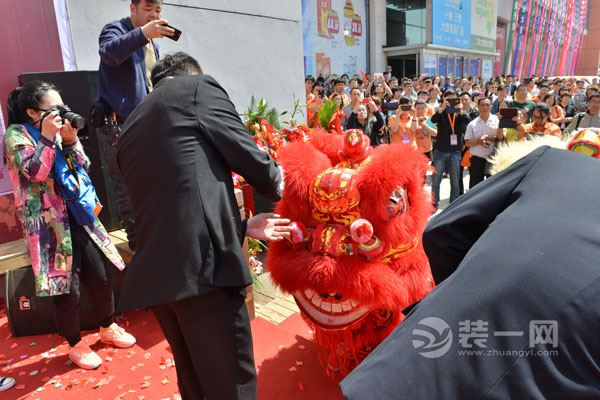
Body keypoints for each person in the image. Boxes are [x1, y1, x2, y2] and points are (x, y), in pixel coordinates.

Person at [341, 142, 600, 400]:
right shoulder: (556, 163)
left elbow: (442, 231)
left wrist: (464, 289)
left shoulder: (556, 163)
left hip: (410, 372)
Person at [116, 52, 294, 400]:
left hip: (161, 282)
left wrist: (242, 227)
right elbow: (249, 157)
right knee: (231, 385)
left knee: (195, 384)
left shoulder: (130, 127)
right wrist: (289, 184)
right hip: (205, 277)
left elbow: (174, 203)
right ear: (191, 75)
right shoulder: (195, 88)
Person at [4, 81, 135, 370]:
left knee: (100, 277)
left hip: (79, 216)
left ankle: (107, 326)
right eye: (53, 110)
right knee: (67, 289)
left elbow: (83, 166)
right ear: (31, 112)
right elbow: (35, 173)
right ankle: (75, 343)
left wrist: (72, 139)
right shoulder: (17, 135)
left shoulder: (58, 132)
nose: (60, 114)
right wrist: (49, 138)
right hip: (50, 226)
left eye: (62, 108)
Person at [92, 0, 174, 250]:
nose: (154, 14)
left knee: (154, 178)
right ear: (133, 8)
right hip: (118, 124)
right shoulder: (116, 29)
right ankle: (139, 243)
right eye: (148, 9)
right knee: (126, 185)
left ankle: (158, 235)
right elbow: (108, 52)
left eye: (158, 10)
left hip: (146, 123)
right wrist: (142, 34)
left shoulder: (152, 44)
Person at [430, 89, 471, 210]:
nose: (451, 101)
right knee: (436, 180)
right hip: (440, 150)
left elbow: (468, 123)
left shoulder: (459, 113)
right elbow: (432, 121)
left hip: (455, 151)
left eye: (454, 98)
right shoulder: (441, 111)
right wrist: (442, 108)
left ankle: (453, 204)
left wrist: (461, 111)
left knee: (455, 180)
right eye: (449, 99)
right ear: (444, 99)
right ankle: (433, 203)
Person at [464, 97, 502, 188]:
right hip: (477, 160)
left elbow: (501, 138)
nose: (485, 107)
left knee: (492, 187)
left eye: (487, 105)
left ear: (491, 107)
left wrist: (489, 138)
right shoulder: (472, 124)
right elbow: (467, 142)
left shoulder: (498, 121)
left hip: (493, 159)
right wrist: (478, 141)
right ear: (478, 106)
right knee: (475, 187)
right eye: (482, 105)